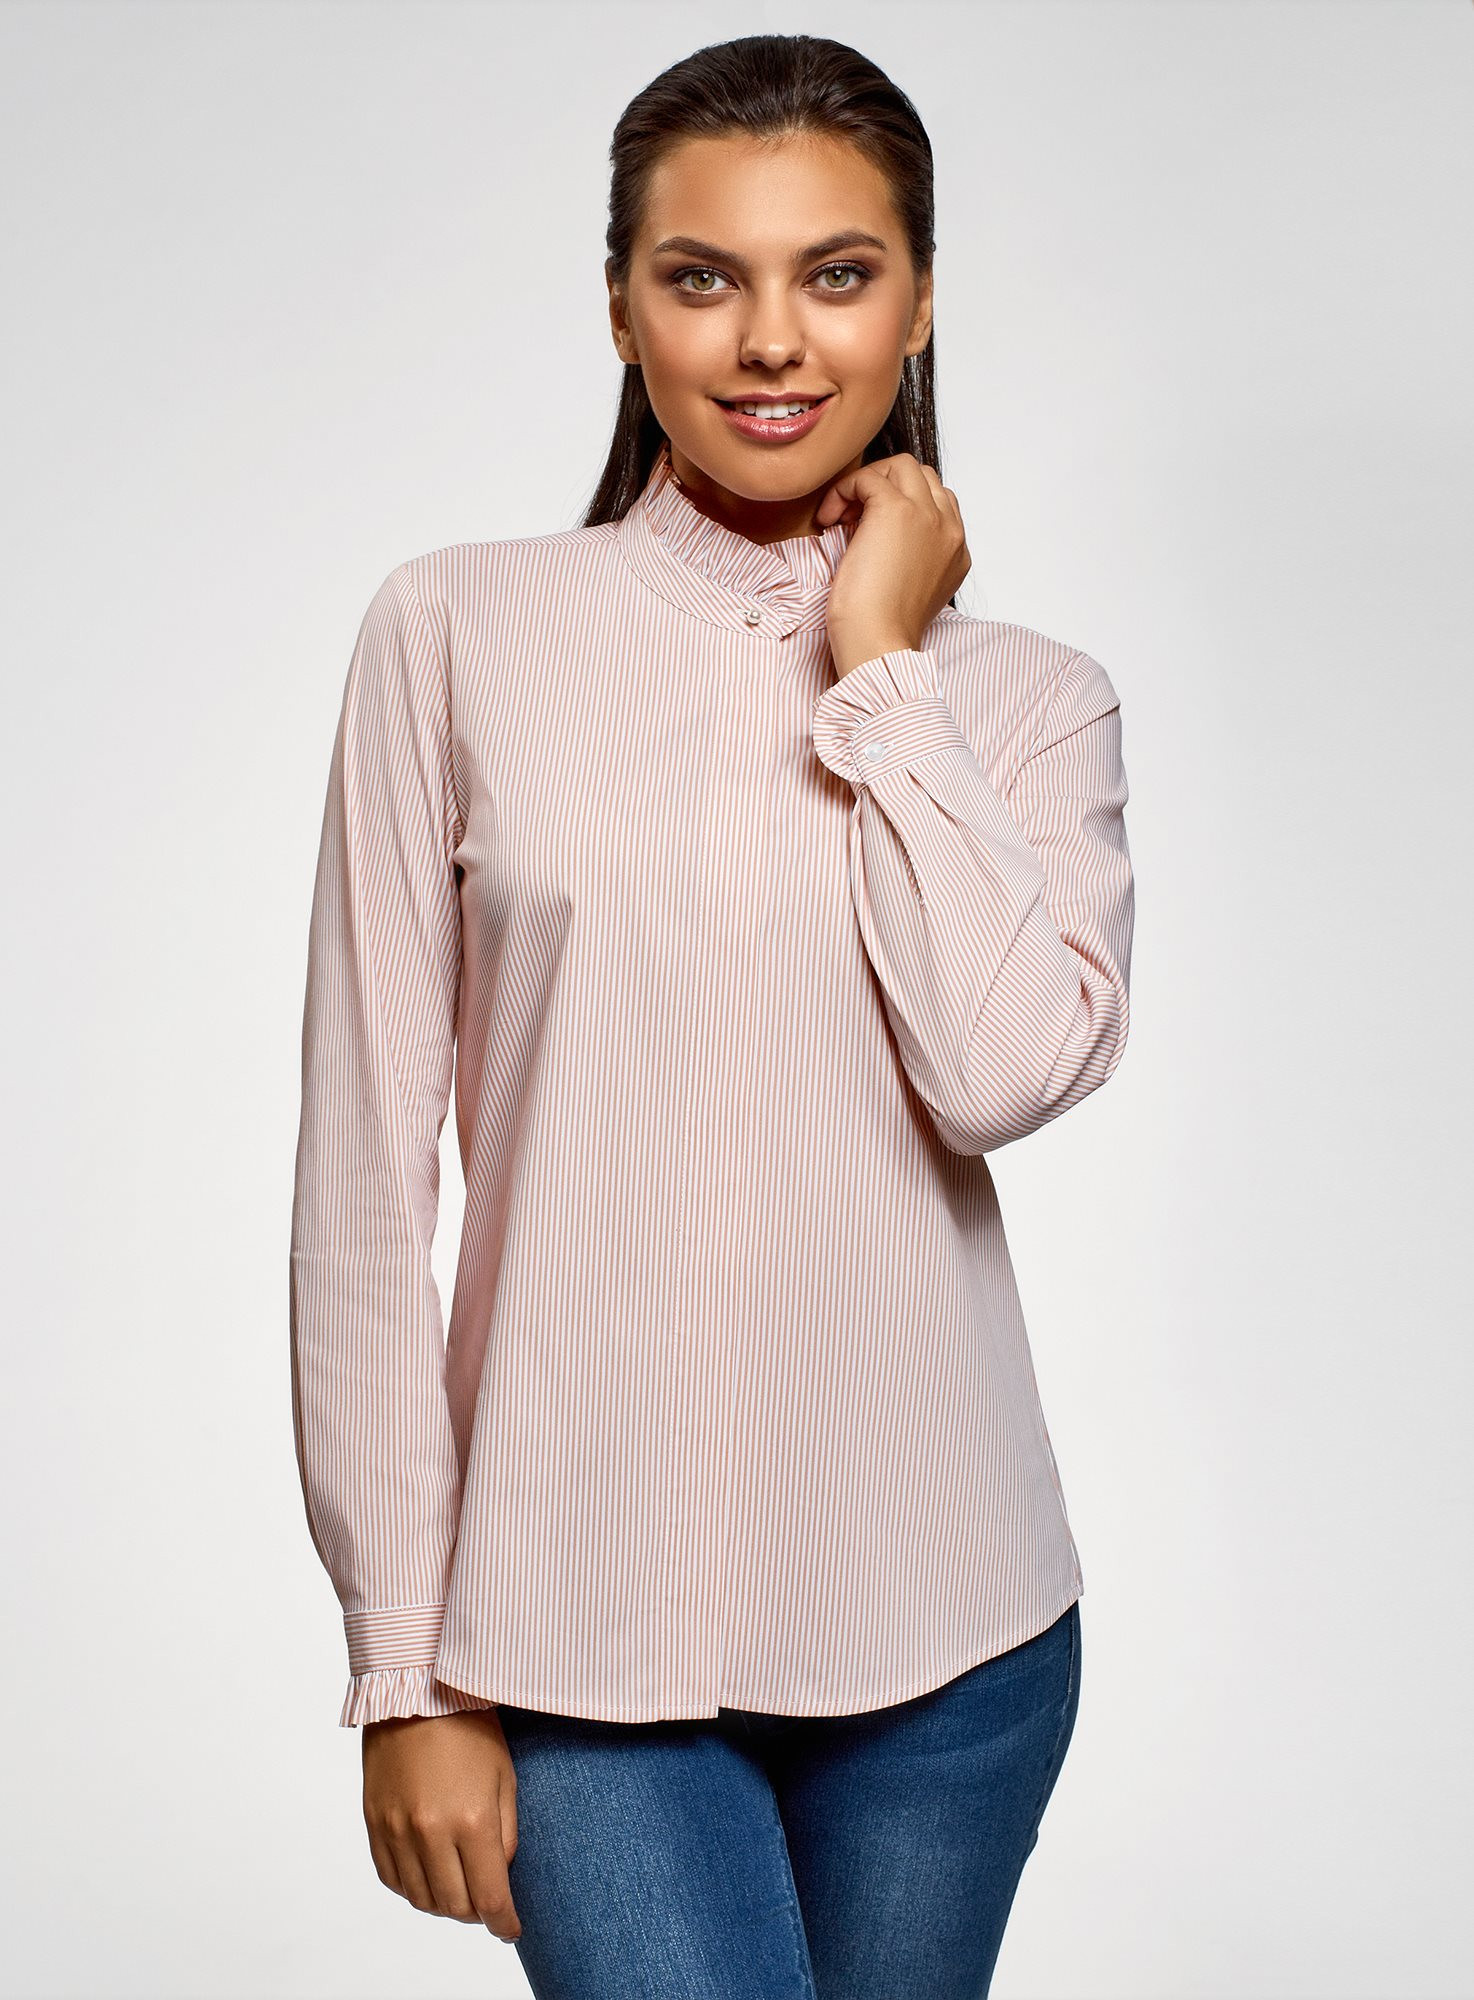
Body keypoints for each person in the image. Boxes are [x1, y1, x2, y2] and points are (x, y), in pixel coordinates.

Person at [288, 30, 1134, 2000]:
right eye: (700, 277)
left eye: (835, 274)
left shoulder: (1027, 699)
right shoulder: (455, 629)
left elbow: (999, 1070)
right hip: (570, 1644)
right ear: (620, 309)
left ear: (917, 302)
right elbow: (360, 1189)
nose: (770, 339)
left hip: (954, 1640)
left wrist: (879, 667)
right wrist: (402, 1667)